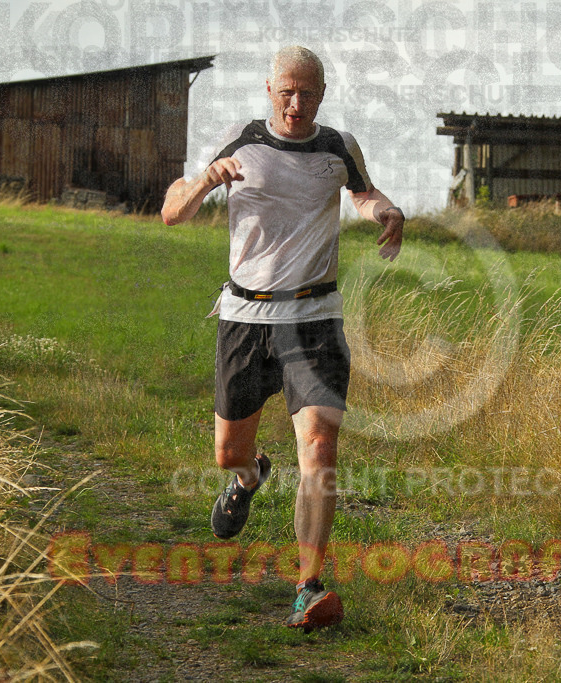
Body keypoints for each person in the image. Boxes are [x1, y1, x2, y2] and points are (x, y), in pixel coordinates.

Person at [160, 46, 404, 632]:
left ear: (322, 94)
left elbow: (362, 191)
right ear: (270, 89)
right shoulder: (240, 137)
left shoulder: (337, 146)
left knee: (320, 447)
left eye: (309, 93)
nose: (297, 104)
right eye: (287, 92)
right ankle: (249, 478)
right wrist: (206, 182)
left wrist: (385, 209)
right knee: (228, 453)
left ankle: (309, 587)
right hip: (245, 317)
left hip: (315, 319)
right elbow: (172, 210)